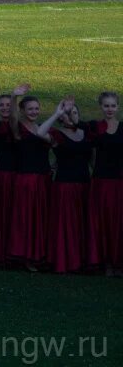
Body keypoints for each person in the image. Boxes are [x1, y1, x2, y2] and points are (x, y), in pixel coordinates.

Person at [42, 97, 91, 274]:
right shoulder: (57, 135)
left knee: (83, 224)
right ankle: (65, 261)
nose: (70, 116)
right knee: (66, 225)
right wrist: (57, 114)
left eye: (74, 112)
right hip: (64, 186)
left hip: (85, 185)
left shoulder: (86, 134)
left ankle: (84, 262)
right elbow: (40, 133)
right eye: (67, 114)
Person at [7, 95, 56, 270]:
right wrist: (14, 96)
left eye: (36, 108)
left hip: (43, 179)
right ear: (22, 111)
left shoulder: (42, 126)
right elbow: (12, 117)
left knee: (41, 217)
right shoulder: (19, 128)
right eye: (30, 109)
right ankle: (27, 256)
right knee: (27, 218)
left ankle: (40, 254)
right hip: (26, 179)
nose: (34, 112)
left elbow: (57, 145)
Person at [0, 86, 25, 267]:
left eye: (8, 105)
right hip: (2, 175)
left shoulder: (19, 126)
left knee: (17, 215)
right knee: (1, 214)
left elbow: (15, 119)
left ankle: (16, 253)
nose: (5, 108)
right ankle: (0, 253)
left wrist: (15, 98)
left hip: (19, 176)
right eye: (1, 105)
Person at [88, 91, 123, 276]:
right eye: (106, 105)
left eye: (113, 105)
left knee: (118, 222)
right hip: (100, 182)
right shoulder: (95, 127)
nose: (110, 109)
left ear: (117, 107)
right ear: (101, 107)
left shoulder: (122, 128)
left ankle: (118, 262)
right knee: (103, 222)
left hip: (119, 182)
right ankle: (106, 262)